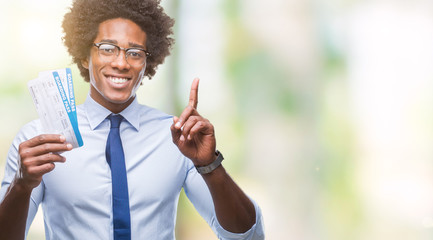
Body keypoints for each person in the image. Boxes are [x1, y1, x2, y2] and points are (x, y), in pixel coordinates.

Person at [0, 0, 264, 239]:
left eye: (135, 53)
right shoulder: (38, 141)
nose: (122, 63)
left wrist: (209, 165)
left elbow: (248, 236)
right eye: (107, 49)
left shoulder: (177, 137)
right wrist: (21, 185)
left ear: (147, 64)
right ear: (84, 55)